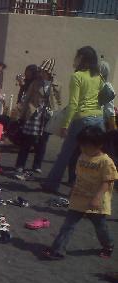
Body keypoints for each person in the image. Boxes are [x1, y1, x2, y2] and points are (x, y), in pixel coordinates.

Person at [42, 126, 117, 260]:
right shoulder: (82, 156)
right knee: (68, 225)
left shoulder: (106, 161)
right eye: (81, 145)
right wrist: (72, 191)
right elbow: (79, 176)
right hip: (79, 198)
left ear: (99, 145)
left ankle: (108, 244)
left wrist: (97, 197)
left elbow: (108, 181)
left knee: (101, 227)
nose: (83, 149)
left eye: (86, 146)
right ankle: (58, 250)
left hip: (96, 202)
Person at [42, 46, 105, 193]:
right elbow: (104, 97)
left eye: (77, 56)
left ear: (82, 58)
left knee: (66, 153)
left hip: (82, 119)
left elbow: (74, 104)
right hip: (98, 118)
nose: (75, 59)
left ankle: (52, 184)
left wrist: (65, 124)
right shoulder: (99, 76)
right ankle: (88, 188)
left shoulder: (77, 76)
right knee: (92, 156)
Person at [15, 59, 61, 175]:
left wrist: (55, 111)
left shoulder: (56, 84)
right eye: (41, 70)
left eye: (44, 71)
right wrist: (22, 114)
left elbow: (58, 100)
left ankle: (37, 165)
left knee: (42, 142)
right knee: (27, 141)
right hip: (34, 113)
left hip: (47, 115)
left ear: (49, 72)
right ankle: (20, 165)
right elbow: (27, 99)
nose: (41, 73)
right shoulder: (35, 82)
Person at [99, 60, 116, 132]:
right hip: (99, 124)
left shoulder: (93, 85)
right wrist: (114, 130)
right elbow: (110, 111)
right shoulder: (108, 87)